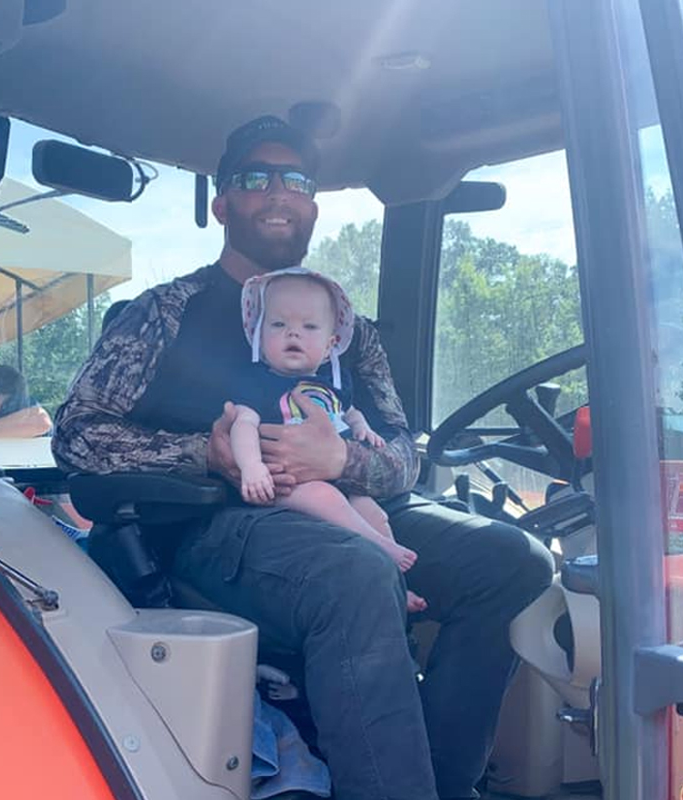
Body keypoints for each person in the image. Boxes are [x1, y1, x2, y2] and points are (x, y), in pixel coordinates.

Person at [52, 115, 554, 800]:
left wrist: (342, 460)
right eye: (256, 178)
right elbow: (78, 433)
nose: (278, 192)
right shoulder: (167, 311)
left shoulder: (349, 330)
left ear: (313, 206)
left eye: (297, 180)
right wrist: (207, 453)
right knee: (352, 572)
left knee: (512, 558)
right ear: (222, 203)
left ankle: (443, 783)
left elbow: (404, 453)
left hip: (350, 506)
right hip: (219, 525)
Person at [232, 267, 425, 611]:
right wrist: (251, 469)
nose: (293, 332)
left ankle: (399, 586)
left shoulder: (336, 383)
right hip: (287, 482)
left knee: (374, 512)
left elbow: (348, 412)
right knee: (325, 498)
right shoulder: (259, 384)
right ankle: (383, 549)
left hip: (339, 478)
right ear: (260, 337)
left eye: (309, 327)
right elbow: (243, 425)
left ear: (329, 345)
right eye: (278, 325)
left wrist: (363, 429)